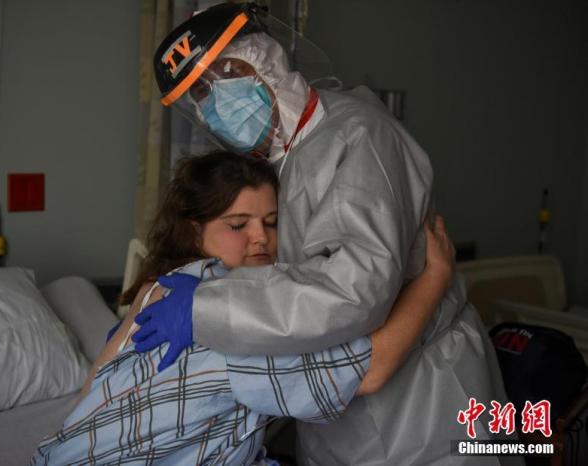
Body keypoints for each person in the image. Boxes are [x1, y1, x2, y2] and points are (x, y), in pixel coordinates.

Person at [136, 3, 516, 465]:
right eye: (200, 93)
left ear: (267, 60)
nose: (217, 102)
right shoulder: (285, 161)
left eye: (229, 73)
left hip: (423, 403)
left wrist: (205, 307)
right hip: (338, 414)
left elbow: (352, 292)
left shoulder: (360, 137)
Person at [31, 152, 456, 465]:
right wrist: (435, 278)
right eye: (237, 225)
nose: (260, 239)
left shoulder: (156, 288)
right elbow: (370, 369)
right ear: (195, 231)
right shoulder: (223, 310)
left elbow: (90, 392)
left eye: (272, 222)